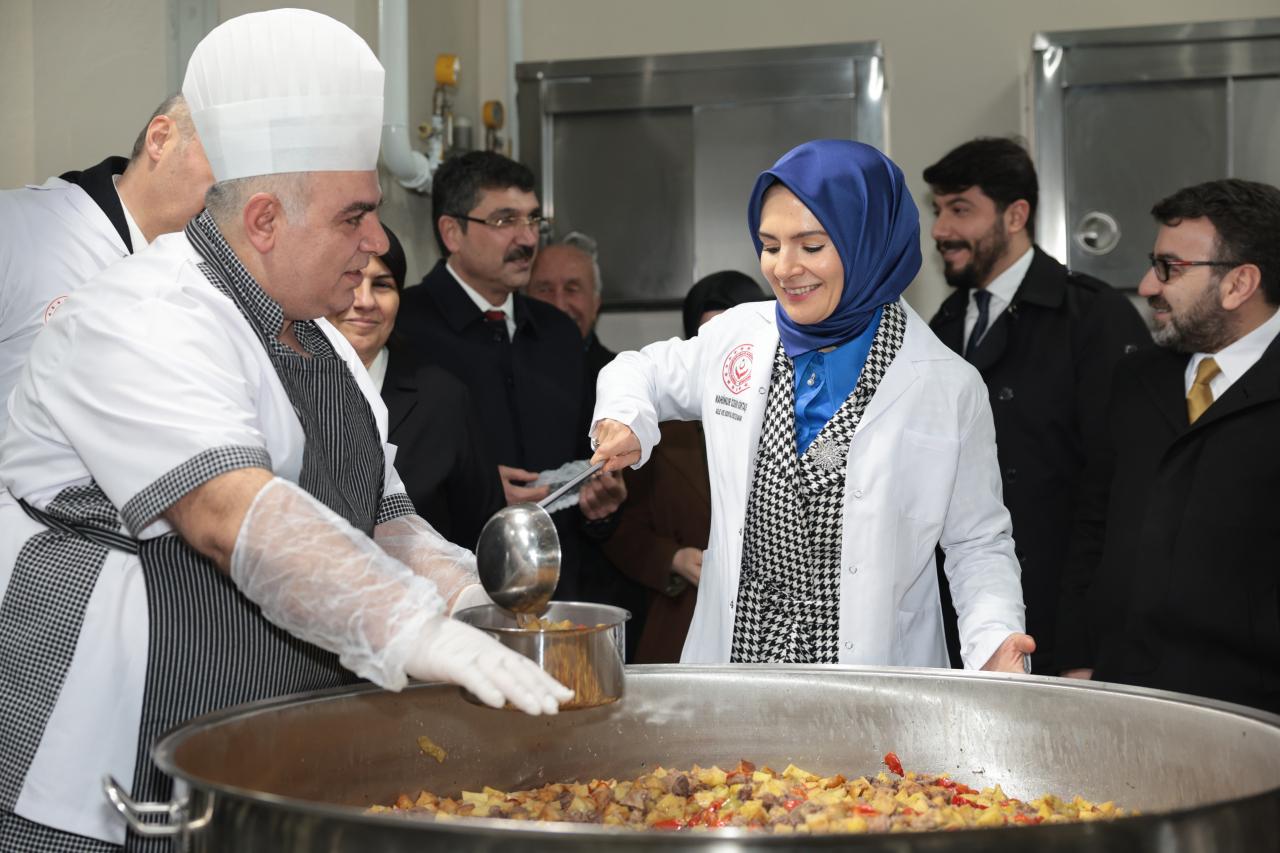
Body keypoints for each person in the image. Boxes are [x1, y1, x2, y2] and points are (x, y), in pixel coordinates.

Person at [0, 11, 569, 851]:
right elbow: (235, 517)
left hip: (252, 748)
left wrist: (485, 608)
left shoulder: (322, 341)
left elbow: (385, 522)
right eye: (355, 217)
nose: (378, 241)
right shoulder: (137, 318)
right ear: (263, 220)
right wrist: (415, 632)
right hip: (105, 762)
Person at [591, 140, 1032, 671]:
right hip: (738, 673)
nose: (784, 268)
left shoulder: (947, 385)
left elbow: (978, 544)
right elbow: (639, 370)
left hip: (872, 683)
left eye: (812, 245)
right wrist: (625, 418)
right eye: (770, 244)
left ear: (868, 241)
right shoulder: (739, 337)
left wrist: (994, 642)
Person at [923, 137, 1149, 674]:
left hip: (1054, 623)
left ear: (1016, 214)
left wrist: (1083, 645)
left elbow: (1116, 494)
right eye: (937, 211)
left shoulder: (1093, 317)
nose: (940, 231)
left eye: (960, 210)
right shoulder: (945, 324)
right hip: (961, 618)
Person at [1057, 178, 1280, 714]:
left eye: (1169, 268)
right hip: (1120, 689)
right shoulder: (1137, 378)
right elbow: (1093, 524)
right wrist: (1078, 657)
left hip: (1252, 713)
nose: (1147, 285)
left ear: (1240, 282)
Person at [391, 152, 626, 602]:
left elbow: (583, 459)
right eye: (504, 221)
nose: (526, 238)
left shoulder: (557, 332)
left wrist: (600, 503)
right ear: (451, 232)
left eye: (532, 219)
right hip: (449, 597)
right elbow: (376, 471)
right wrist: (473, 484)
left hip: (557, 591)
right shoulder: (404, 328)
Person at [0, 94, 213, 434]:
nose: (232, 187)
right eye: (222, 161)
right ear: (160, 139)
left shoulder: (214, 276)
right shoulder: (17, 227)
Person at [603, 271, 770, 663]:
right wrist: (672, 559)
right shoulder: (661, 428)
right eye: (708, 339)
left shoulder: (789, 414)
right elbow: (624, 528)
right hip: (681, 624)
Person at [327, 224, 505, 549]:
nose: (365, 301)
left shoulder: (444, 398)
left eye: (382, 285)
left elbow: (482, 529)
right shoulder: (284, 386)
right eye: (351, 280)